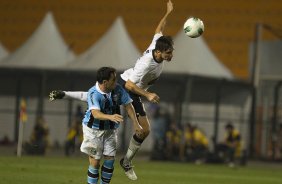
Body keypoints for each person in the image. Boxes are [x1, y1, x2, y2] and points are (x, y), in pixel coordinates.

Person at [49, 0, 174, 180]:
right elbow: (130, 86)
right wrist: (148, 94)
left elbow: (158, 30)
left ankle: (125, 161)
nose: (171, 56)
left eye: (171, 52)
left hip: (132, 89)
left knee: (141, 131)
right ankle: (93, 133)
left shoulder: (157, 45)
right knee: (98, 104)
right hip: (128, 87)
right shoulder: (147, 64)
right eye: (169, 53)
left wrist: (168, 12)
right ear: (160, 52)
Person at [77, 67, 141, 184]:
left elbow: (128, 105)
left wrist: (136, 124)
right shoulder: (94, 93)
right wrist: (111, 117)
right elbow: (95, 114)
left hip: (110, 130)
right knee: (95, 162)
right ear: (105, 82)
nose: (116, 82)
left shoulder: (117, 89)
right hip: (93, 130)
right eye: (113, 79)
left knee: (110, 161)